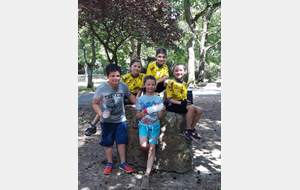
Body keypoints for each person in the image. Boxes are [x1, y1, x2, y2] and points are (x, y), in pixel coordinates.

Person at [92, 64, 136, 175]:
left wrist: (139, 104)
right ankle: (110, 163)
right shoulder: (101, 88)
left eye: (118, 76)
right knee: (108, 143)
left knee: (121, 142)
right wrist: (100, 113)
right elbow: (95, 103)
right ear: (107, 76)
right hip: (107, 122)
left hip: (121, 120)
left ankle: (123, 163)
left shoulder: (123, 86)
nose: (116, 78)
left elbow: (130, 96)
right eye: (113, 76)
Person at [84, 59, 145, 136]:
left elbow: (139, 91)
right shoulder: (125, 77)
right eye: (135, 66)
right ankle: (93, 124)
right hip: (122, 96)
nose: (137, 68)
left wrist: (137, 103)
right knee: (109, 105)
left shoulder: (143, 77)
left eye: (139, 66)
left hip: (133, 96)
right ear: (130, 67)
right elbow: (118, 87)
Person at [135, 75, 166, 189]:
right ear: (144, 85)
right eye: (148, 84)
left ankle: (147, 174)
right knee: (144, 146)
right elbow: (137, 116)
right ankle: (151, 155)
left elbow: (160, 116)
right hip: (143, 126)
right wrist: (143, 113)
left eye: (153, 84)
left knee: (151, 149)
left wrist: (162, 110)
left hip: (155, 127)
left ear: (155, 85)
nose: (151, 86)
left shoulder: (158, 99)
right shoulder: (140, 99)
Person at [165, 63, 203, 140]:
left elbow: (184, 97)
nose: (178, 72)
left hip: (182, 104)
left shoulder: (185, 84)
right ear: (173, 73)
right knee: (191, 108)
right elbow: (169, 99)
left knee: (199, 109)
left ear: (184, 71)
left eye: (181, 70)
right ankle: (187, 130)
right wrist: (182, 103)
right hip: (173, 105)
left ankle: (192, 129)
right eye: (176, 71)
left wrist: (187, 101)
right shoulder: (171, 83)